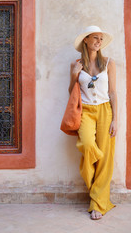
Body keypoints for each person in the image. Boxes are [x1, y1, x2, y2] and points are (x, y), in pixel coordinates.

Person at [69, 26, 117, 220]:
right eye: (95, 38)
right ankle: (97, 190)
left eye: (101, 38)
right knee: (88, 145)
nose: (98, 41)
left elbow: (113, 92)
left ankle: (97, 202)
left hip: (105, 110)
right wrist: (74, 74)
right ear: (86, 40)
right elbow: (70, 93)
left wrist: (116, 119)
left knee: (106, 158)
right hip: (86, 111)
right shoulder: (76, 64)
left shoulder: (108, 63)